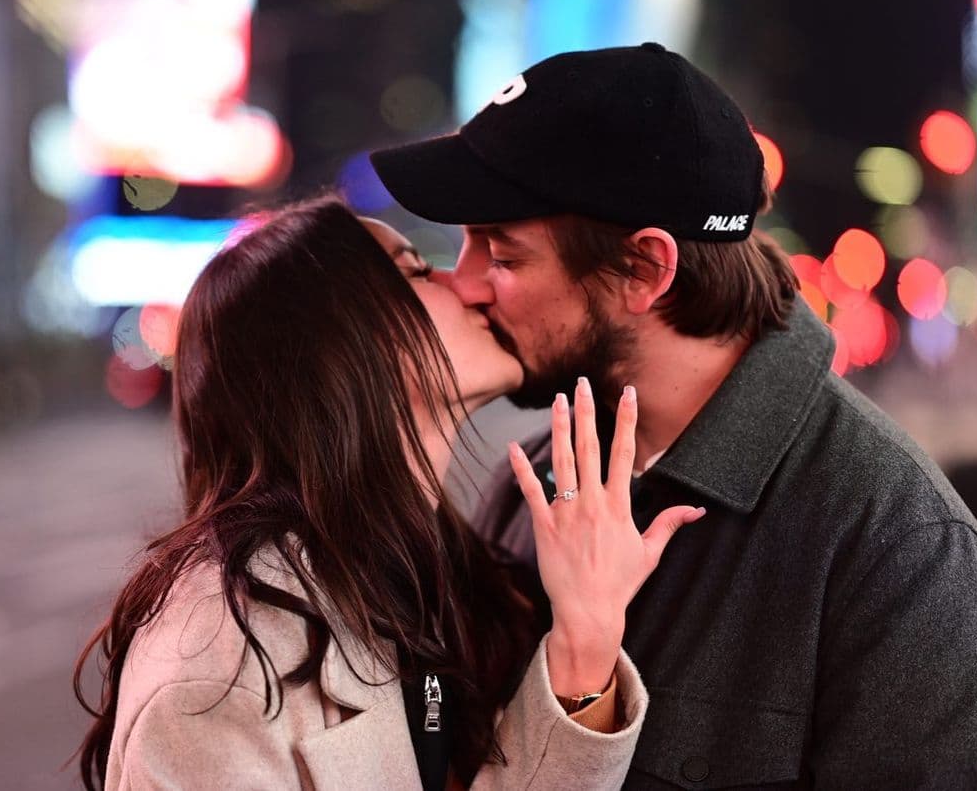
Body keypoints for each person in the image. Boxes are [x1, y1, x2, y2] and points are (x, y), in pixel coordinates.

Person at [370, 43, 977, 788]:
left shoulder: (894, 548)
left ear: (644, 269)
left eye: (503, 253)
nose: (468, 281)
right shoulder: (537, 485)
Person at [72, 195, 707, 790]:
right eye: (417, 270)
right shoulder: (223, 663)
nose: (467, 282)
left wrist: (585, 635)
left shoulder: (434, 576)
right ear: (339, 339)